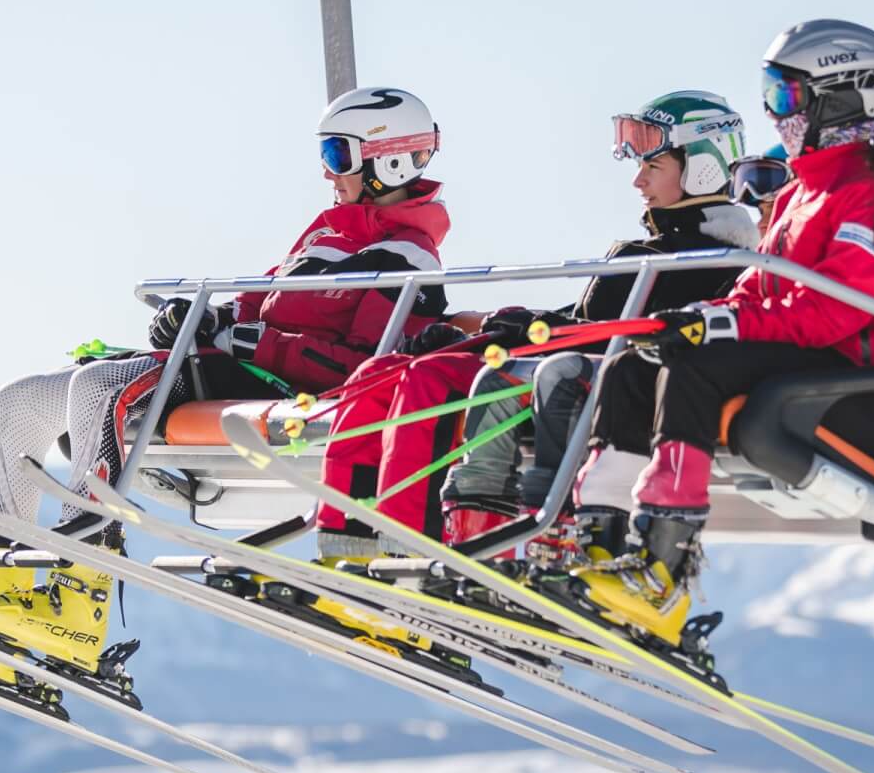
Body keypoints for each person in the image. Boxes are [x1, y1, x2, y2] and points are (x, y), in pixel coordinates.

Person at [0, 86, 451, 676]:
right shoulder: (331, 234)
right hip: (224, 362)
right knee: (17, 404)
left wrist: (242, 339)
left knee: (97, 390)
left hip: (267, 384)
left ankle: (75, 601)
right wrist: (204, 317)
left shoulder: (407, 258)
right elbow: (260, 303)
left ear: (387, 158)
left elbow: (363, 366)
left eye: (338, 156)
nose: (326, 172)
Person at [567, 19, 874, 646]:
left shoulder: (871, 192)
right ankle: (600, 546)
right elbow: (763, 286)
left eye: (785, 96)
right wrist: (701, 317)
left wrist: (723, 324)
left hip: (860, 391)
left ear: (839, 96)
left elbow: (833, 312)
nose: (773, 113)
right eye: (770, 93)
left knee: (695, 367)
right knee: (637, 362)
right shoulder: (808, 188)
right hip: (809, 371)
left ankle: (663, 568)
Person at [314, 91, 756, 561]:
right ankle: (350, 547)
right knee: (381, 374)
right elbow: (590, 317)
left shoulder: (709, 261)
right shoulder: (658, 250)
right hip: (564, 353)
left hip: (589, 374)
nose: (637, 181)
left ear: (701, 169)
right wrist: (497, 326)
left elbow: (618, 329)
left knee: (432, 379)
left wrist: (525, 328)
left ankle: (417, 552)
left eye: (654, 167)